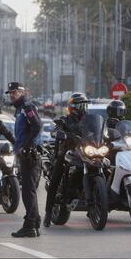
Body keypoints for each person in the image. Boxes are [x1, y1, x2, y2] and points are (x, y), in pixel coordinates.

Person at [43, 92, 89, 228]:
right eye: (82, 105)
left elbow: (97, 131)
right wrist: (62, 133)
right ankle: (47, 214)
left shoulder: (88, 120)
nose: (84, 108)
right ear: (74, 107)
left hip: (86, 153)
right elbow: (55, 131)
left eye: (85, 105)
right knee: (55, 181)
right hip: (68, 153)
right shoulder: (65, 120)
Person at [6, 82, 42, 238]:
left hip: (30, 155)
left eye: (14, 92)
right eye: (10, 93)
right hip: (26, 155)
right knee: (29, 192)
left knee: (28, 193)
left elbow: (37, 126)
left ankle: (30, 226)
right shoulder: (20, 109)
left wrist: (24, 146)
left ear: (22, 92)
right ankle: (35, 223)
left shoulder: (27, 107)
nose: (12, 95)